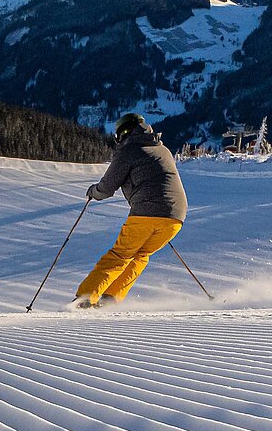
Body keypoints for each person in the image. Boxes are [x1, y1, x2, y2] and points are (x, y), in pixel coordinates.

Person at [73, 113, 188, 308]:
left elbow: (107, 187)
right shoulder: (163, 150)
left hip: (147, 214)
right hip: (176, 217)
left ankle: (85, 299)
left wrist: (93, 192)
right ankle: (111, 298)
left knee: (120, 255)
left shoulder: (129, 151)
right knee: (141, 255)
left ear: (123, 132)